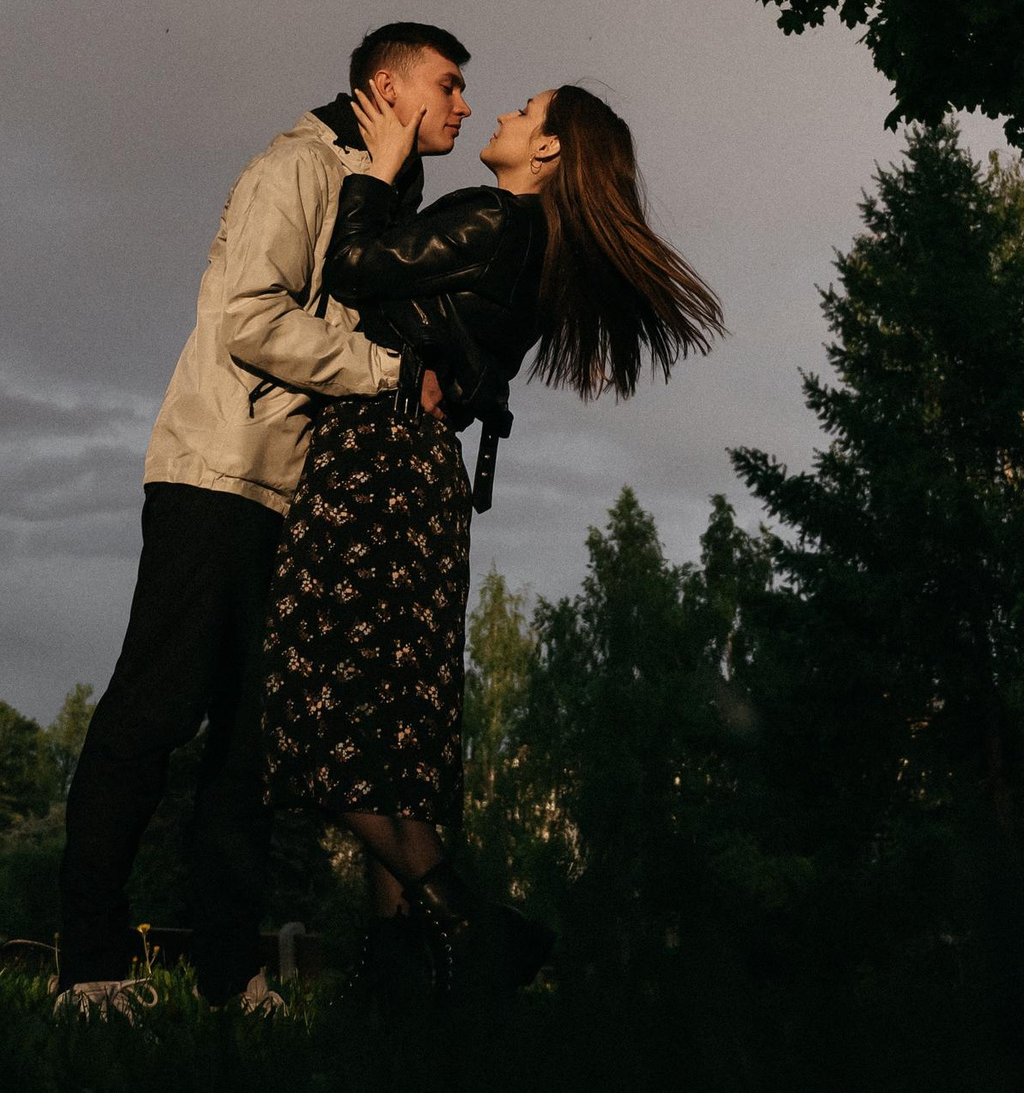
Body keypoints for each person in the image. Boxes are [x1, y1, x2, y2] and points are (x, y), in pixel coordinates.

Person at [263, 82, 722, 997]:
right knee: (397, 740)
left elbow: (352, 267)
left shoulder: (492, 216)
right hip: (429, 479)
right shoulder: (543, 254)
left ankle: (474, 926)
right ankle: (398, 985)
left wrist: (378, 170)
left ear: (547, 153)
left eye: (524, 111)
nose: (503, 117)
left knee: (315, 710)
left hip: (374, 464)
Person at [55, 22, 474, 1015]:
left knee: (251, 750)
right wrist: (386, 371)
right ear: (387, 83)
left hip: (299, 497)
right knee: (152, 714)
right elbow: (246, 315)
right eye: (448, 84)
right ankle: (90, 968)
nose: (463, 103)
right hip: (220, 476)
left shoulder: (375, 190)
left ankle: (232, 977)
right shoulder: (298, 168)